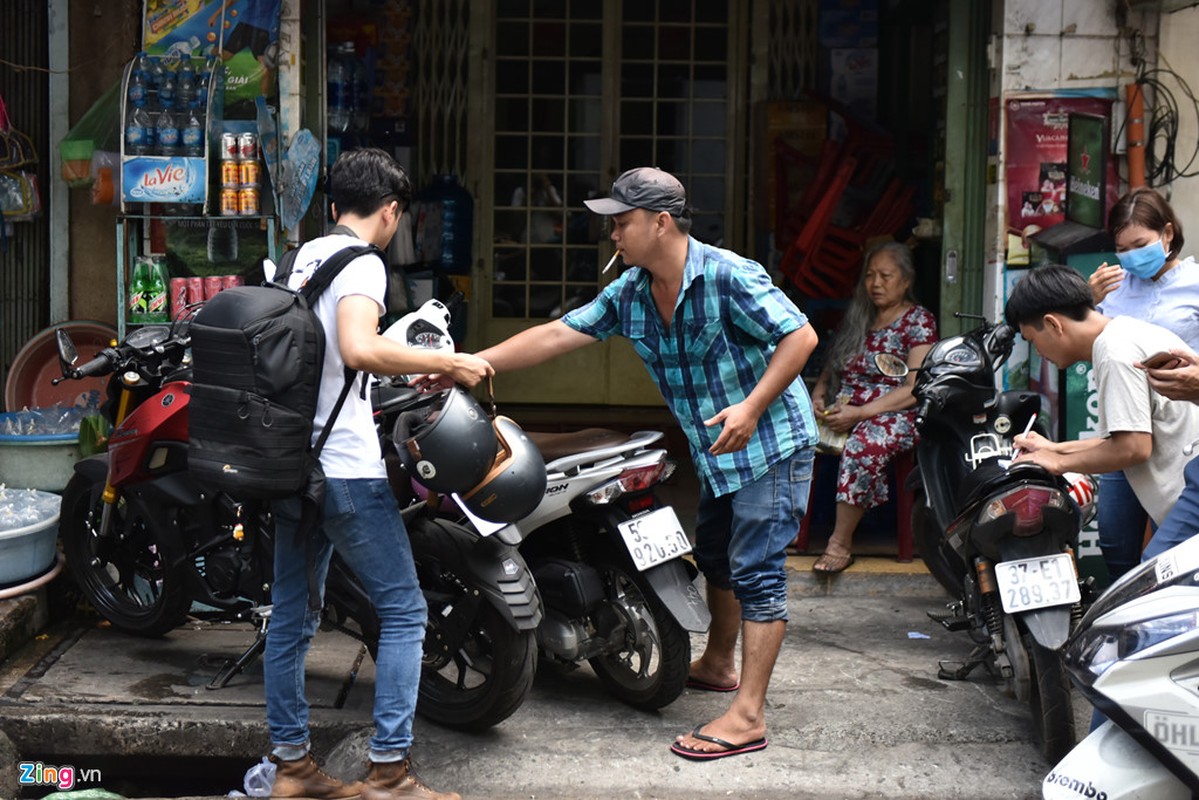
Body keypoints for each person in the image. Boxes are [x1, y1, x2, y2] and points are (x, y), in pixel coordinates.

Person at [461, 167, 819, 760]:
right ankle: (722, 663)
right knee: (715, 558)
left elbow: (800, 337)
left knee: (756, 572)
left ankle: (748, 716)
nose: (613, 236)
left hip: (770, 443)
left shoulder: (729, 275)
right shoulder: (631, 292)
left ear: (660, 222)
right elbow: (557, 335)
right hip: (718, 452)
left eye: (621, 223)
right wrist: (474, 362)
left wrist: (752, 408)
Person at [264, 148, 490, 800]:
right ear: (390, 212)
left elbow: (331, 357)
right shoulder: (362, 262)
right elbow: (360, 346)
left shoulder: (300, 256)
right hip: (343, 469)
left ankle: (291, 767)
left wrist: (396, 366)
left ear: (333, 206)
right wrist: (450, 365)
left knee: (291, 617)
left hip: (291, 463)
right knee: (403, 610)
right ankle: (389, 771)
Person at [1003, 264, 1199, 532]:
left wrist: (1058, 462)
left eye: (1033, 340)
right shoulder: (1124, 332)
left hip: (1191, 500)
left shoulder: (1113, 350)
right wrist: (1052, 449)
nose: (1038, 352)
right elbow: (1127, 437)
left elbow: (1133, 447)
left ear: (1052, 324)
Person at [1086, 187, 1199, 580]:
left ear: (1167, 234)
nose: (1132, 256)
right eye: (1122, 248)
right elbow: (1086, 343)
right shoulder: (1112, 290)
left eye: (1141, 244)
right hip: (1126, 422)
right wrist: (1087, 301)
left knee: (1168, 549)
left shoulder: (1195, 284)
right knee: (1115, 537)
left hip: (1179, 429)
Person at [808, 241, 937, 573]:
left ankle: (839, 544)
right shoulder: (860, 316)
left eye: (886, 276)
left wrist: (863, 413)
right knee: (791, 433)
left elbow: (914, 389)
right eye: (870, 276)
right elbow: (833, 365)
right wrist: (818, 395)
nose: (876, 284)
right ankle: (790, 531)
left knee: (865, 444)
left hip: (896, 414)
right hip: (846, 408)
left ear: (906, 281)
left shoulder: (918, 321)